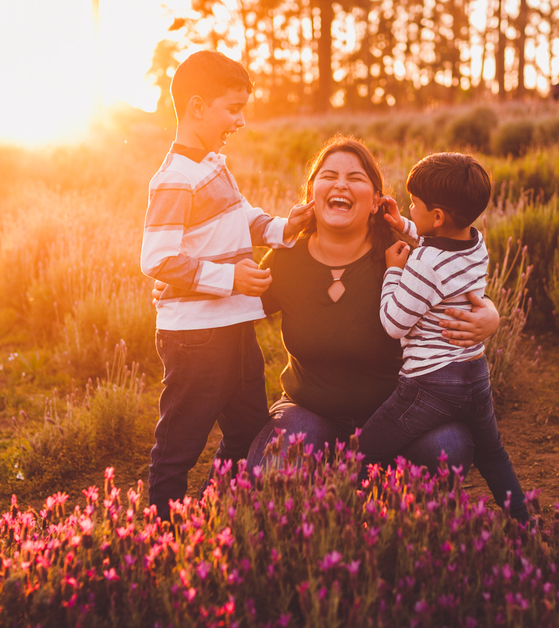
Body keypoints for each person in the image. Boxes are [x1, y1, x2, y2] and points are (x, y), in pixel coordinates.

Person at [246, 136, 500, 473]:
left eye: (355, 178)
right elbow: (238, 308)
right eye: (328, 175)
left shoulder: (402, 256)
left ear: (376, 200)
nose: (341, 184)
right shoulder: (286, 259)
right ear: (311, 194)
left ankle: (361, 482)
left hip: (399, 415)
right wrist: (189, 289)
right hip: (310, 410)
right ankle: (344, 482)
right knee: (273, 469)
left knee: (448, 449)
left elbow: (461, 287)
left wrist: (491, 316)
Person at [140, 49, 312, 522]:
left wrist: (284, 226)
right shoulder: (175, 178)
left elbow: (240, 218)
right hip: (196, 335)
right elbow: (157, 258)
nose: (240, 120)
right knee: (180, 444)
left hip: (235, 325)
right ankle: (160, 536)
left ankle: (216, 511)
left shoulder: (212, 163)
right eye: (232, 108)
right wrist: (230, 277)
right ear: (197, 108)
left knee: (249, 429)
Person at [360, 153, 529, 522]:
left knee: (363, 451)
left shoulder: (424, 264)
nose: (409, 207)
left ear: (437, 216)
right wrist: (404, 223)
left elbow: (394, 323)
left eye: (414, 205)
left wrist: (393, 272)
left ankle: (347, 516)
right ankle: (524, 523)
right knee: (492, 453)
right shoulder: (476, 243)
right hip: (474, 372)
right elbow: (436, 236)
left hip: (430, 384)